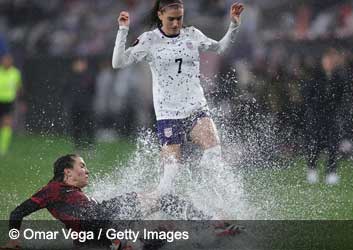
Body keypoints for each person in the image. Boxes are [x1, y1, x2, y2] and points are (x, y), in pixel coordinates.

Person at [112, 0, 244, 195]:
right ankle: (150, 213)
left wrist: (234, 25)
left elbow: (220, 48)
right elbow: (118, 62)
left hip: (195, 107)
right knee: (169, 179)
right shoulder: (149, 40)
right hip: (168, 114)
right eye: (171, 19)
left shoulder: (192, 34)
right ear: (160, 15)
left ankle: (214, 206)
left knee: (213, 153)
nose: (176, 24)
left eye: (179, 18)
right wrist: (123, 30)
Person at [2, 154, 240, 249]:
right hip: (102, 222)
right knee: (162, 198)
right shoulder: (52, 189)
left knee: (163, 236)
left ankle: (210, 238)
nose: (87, 171)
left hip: (99, 234)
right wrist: (13, 241)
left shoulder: (75, 196)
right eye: (82, 166)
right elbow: (17, 213)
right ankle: (210, 223)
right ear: (67, 172)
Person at [303, 48, 348, 185]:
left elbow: (343, 96)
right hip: (317, 116)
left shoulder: (339, 78)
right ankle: (312, 169)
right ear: (322, 61)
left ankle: (332, 172)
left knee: (333, 145)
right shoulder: (315, 77)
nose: (328, 63)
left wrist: (335, 108)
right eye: (326, 60)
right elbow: (308, 96)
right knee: (314, 144)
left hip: (332, 116)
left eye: (331, 60)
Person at [0, 53, 22, 156]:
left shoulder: (15, 73)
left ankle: (3, 148)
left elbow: (18, 88)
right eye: (4, 60)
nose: (6, 62)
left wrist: (18, 100)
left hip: (8, 102)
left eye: (8, 60)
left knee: (7, 124)